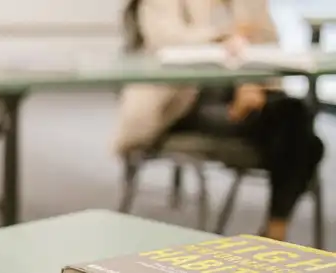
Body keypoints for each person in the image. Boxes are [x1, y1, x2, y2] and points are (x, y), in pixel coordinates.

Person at [118, 0, 324, 241]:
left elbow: (268, 44)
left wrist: (250, 83)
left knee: (296, 118)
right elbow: (164, 39)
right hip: (183, 100)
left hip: (246, 95)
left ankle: (274, 233)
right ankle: (275, 233)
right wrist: (222, 37)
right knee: (302, 138)